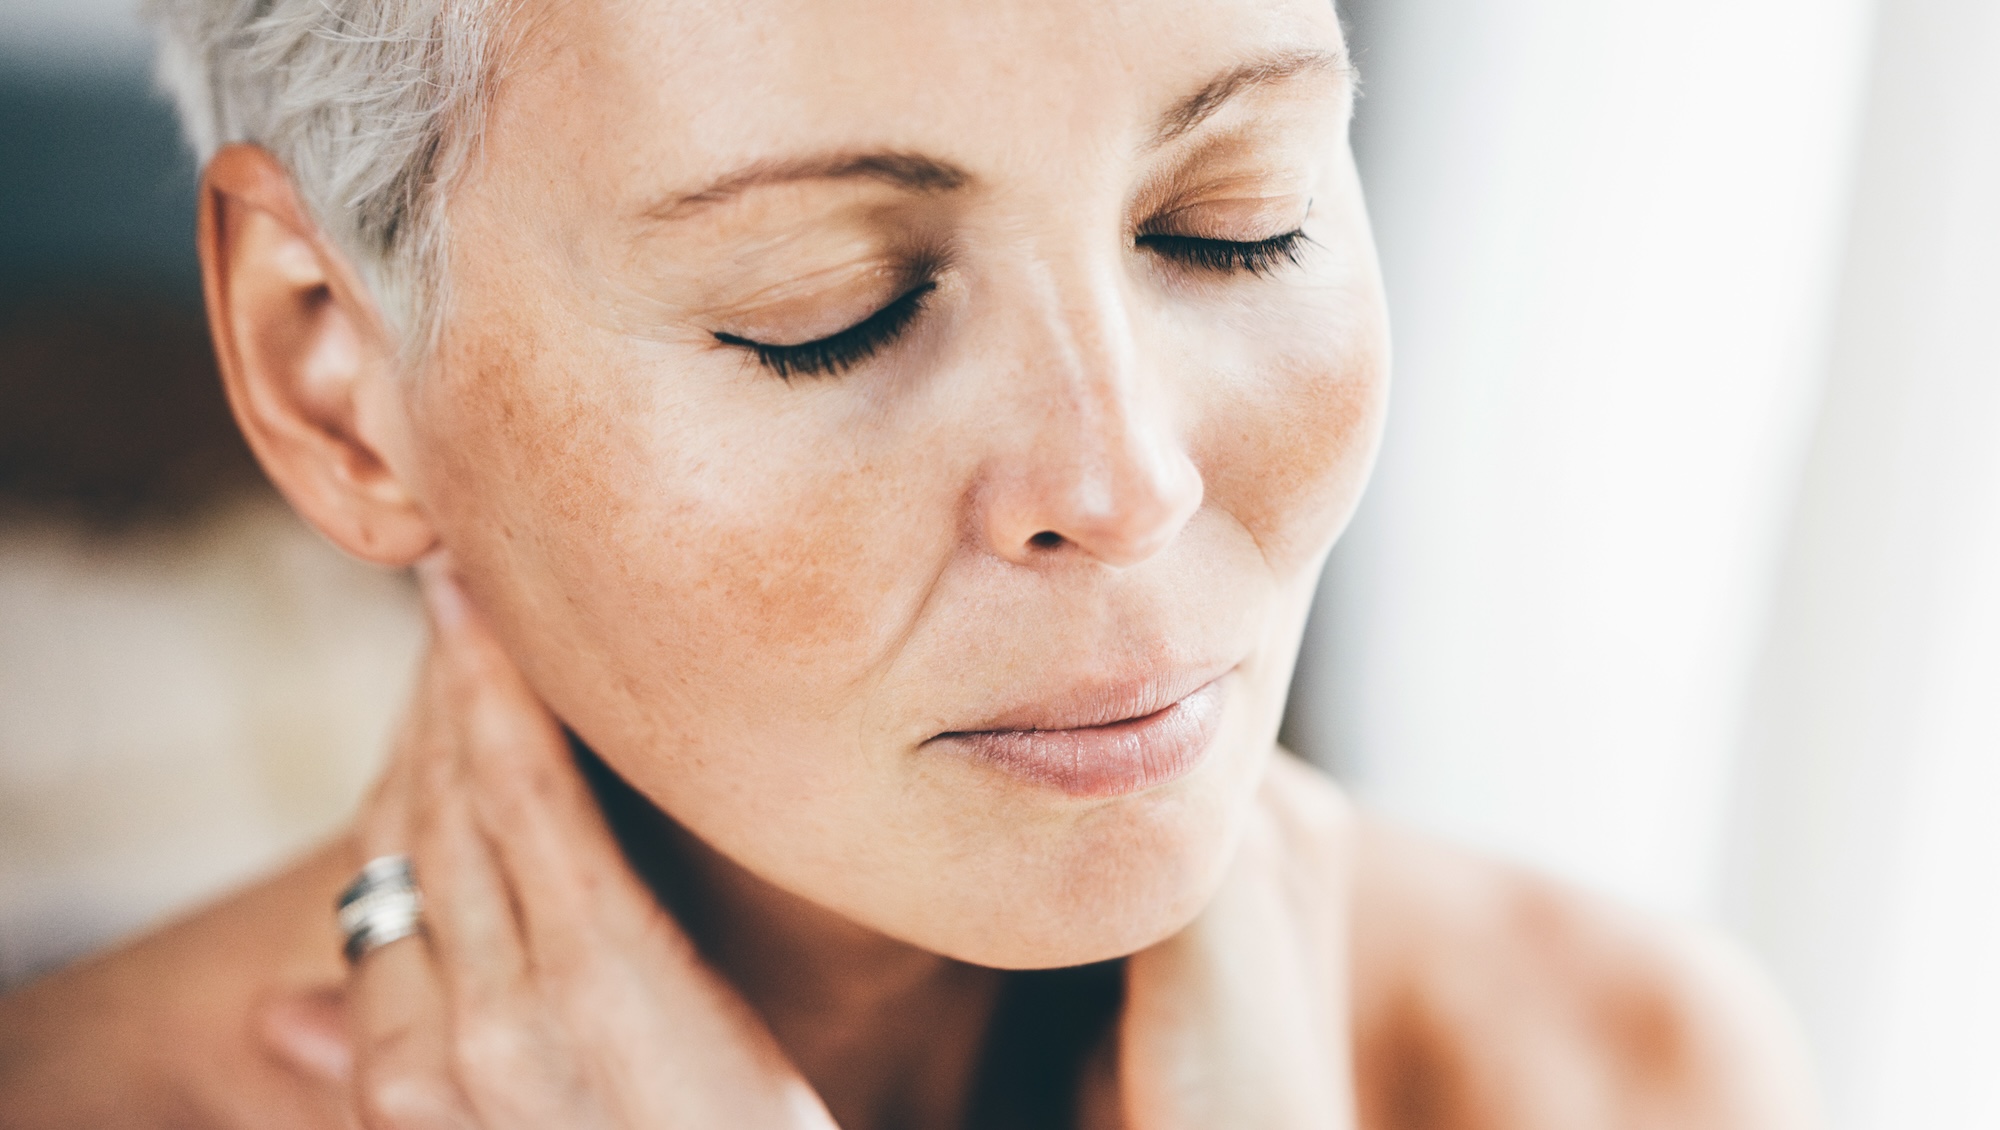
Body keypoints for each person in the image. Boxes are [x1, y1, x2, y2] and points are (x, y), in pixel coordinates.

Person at [0, 0, 1822, 1125]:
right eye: (834, 315)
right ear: (336, 374)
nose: (1130, 479)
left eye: (1234, 220)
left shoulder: (1616, 1072)